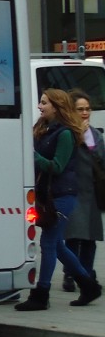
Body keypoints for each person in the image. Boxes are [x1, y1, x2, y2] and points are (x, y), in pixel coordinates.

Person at [15, 88, 103, 310]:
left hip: (62, 196)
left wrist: (32, 155)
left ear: (56, 106)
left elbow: (57, 166)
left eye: (44, 103)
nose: (39, 106)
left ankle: (41, 295)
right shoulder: (43, 129)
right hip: (49, 195)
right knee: (58, 245)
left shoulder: (64, 134)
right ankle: (88, 285)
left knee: (48, 243)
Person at [62, 90, 105, 291]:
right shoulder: (66, 132)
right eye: (80, 109)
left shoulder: (95, 134)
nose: (85, 113)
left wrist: (89, 139)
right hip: (73, 190)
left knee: (91, 237)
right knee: (74, 235)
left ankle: (87, 273)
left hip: (92, 192)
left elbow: (101, 159)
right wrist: (79, 134)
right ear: (72, 111)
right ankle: (70, 274)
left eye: (88, 109)